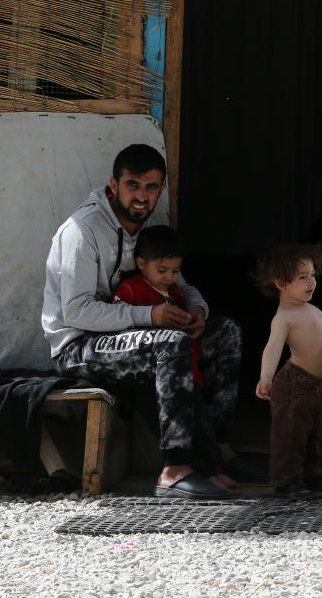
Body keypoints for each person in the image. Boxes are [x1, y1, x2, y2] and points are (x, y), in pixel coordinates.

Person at [42, 143, 244, 499]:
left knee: (225, 332)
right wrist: (149, 314)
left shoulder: (141, 229)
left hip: (131, 336)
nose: (141, 196)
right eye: (132, 185)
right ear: (113, 185)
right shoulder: (83, 231)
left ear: (161, 189)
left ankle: (219, 453)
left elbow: (182, 286)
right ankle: (175, 469)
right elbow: (75, 311)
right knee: (171, 343)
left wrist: (197, 311)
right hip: (80, 346)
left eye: (151, 187)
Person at [253, 244, 322, 499]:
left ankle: (310, 474)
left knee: (310, 432)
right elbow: (273, 347)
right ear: (281, 283)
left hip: (315, 383)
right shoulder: (285, 316)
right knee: (289, 435)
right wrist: (266, 377)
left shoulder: (312, 309)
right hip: (294, 384)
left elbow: (319, 346)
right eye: (302, 277)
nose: (311, 282)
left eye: (312, 275)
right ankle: (286, 480)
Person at [112, 225, 205, 387]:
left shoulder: (175, 291)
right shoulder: (131, 289)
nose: (169, 278)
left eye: (175, 271)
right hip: (151, 372)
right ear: (141, 263)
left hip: (188, 366)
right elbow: (116, 322)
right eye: (162, 270)